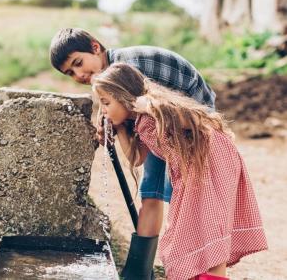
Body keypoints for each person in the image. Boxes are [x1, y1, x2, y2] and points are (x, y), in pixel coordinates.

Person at [49, 28, 216, 278]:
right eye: (70, 73)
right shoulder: (110, 81)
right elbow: (137, 152)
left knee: (184, 196)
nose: (79, 74)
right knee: (151, 192)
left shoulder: (129, 68)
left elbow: (147, 119)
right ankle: (138, 271)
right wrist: (110, 122)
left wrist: (113, 121)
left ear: (96, 48)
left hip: (192, 120)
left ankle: (199, 264)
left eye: (78, 63)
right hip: (161, 124)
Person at [91, 62, 268, 280]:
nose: (103, 110)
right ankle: (198, 274)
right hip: (193, 169)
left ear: (123, 95)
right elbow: (136, 159)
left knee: (208, 224)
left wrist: (152, 106)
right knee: (190, 227)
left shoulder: (152, 109)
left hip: (211, 161)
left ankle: (212, 275)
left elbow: (194, 119)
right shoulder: (139, 122)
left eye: (106, 103)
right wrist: (118, 128)